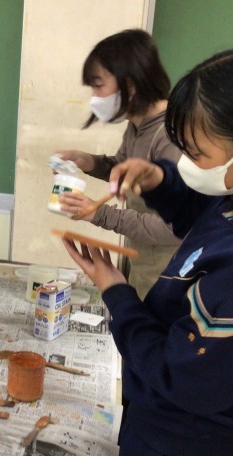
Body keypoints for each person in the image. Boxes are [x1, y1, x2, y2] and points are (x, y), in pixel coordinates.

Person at [63, 48, 233, 456]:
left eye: (196, 155)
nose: (186, 165)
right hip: (170, 426)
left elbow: (185, 380)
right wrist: (160, 181)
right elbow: (203, 214)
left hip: (189, 451)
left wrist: (117, 293)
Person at [55, 29, 181, 299]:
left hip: (171, 275)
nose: (94, 97)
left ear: (131, 85)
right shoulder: (137, 125)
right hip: (145, 264)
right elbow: (123, 168)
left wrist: (99, 214)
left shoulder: (169, 135)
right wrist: (88, 162)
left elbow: (172, 227)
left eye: (99, 86)